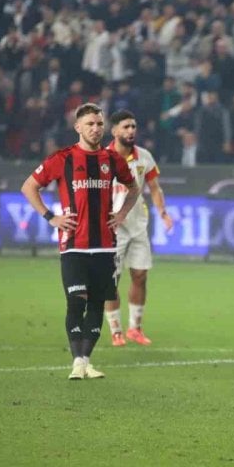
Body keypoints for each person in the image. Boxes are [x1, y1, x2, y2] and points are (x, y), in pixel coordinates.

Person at [20, 103, 140, 380]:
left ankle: (85, 360)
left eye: (99, 124)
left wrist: (121, 213)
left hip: (105, 244)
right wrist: (51, 217)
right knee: (76, 301)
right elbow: (29, 186)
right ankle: (77, 361)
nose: (95, 129)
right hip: (73, 243)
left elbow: (133, 188)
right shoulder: (62, 158)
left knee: (97, 303)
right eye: (90, 124)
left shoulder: (113, 160)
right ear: (78, 128)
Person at [103, 109, 174, 347]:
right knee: (111, 282)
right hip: (111, 228)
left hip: (138, 225)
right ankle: (115, 330)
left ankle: (135, 328)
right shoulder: (102, 158)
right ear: (114, 131)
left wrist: (162, 212)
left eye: (133, 126)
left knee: (140, 275)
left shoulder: (144, 156)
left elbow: (154, 187)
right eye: (126, 127)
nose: (131, 131)